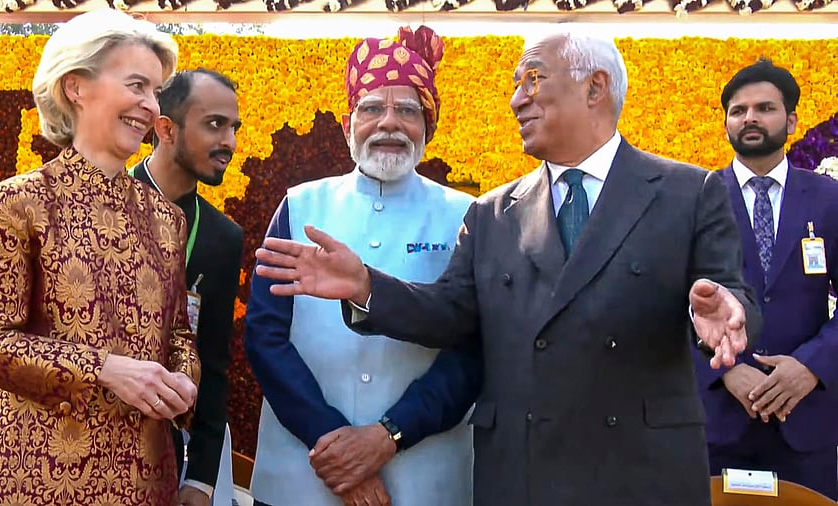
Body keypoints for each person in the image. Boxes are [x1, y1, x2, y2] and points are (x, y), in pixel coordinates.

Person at [254, 31, 763, 506]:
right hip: (521, 475)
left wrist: (725, 315)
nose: (517, 99)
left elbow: (730, 296)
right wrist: (368, 287)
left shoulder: (687, 193)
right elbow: (452, 317)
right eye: (516, 85)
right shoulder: (494, 212)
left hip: (639, 473)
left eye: (533, 80)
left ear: (595, 87)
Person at [0, 9, 200, 505]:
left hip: (142, 481)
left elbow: (175, 334)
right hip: (29, 480)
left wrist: (182, 380)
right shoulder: (18, 202)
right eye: (137, 85)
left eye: (155, 91)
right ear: (76, 87)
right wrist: (105, 369)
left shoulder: (166, 220)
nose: (150, 106)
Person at [245, 25, 481, 506]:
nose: (388, 123)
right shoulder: (300, 205)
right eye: (372, 108)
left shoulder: (468, 215)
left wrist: (386, 437)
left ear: (427, 126)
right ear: (350, 122)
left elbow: (474, 350)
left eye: (407, 111)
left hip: (424, 475)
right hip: (302, 471)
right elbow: (265, 336)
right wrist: (332, 441)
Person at [693, 58, 838, 499]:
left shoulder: (830, 199)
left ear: (791, 120)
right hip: (718, 422)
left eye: (765, 108)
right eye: (738, 111)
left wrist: (811, 366)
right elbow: (665, 301)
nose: (750, 118)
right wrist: (727, 371)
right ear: (726, 125)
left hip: (806, 421)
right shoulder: (693, 199)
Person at [130, 68, 245, 506]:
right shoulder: (100, 203)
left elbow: (214, 367)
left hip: (168, 455)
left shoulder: (222, 237)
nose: (229, 143)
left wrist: (200, 480)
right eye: (214, 124)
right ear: (166, 129)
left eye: (233, 128)